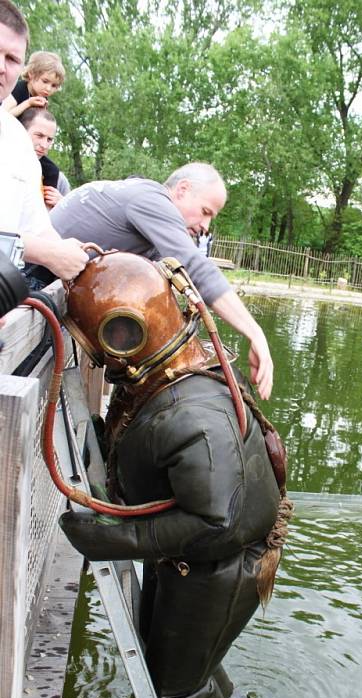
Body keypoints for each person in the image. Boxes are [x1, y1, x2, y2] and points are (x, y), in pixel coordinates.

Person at [58, 250, 292, 698]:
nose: (99, 361)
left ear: (125, 337)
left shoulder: (195, 416)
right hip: (194, 560)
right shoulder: (170, 382)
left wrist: (112, 540)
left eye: (101, 347)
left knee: (179, 690)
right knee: (177, 664)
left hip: (220, 564)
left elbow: (216, 523)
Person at [50, 164, 274, 399]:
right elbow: (195, 266)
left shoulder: (141, 201)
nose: (205, 227)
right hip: (35, 288)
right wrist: (255, 333)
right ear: (182, 189)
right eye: (205, 211)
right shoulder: (151, 200)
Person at [0, 0, 87, 281]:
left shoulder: (16, 138)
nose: (2, 67)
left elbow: (36, 226)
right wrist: (48, 254)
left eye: (12, 59)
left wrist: (63, 248)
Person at [19, 107, 68, 209]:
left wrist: (62, 205)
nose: (44, 145)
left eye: (49, 139)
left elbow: (69, 221)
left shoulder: (59, 180)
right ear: (21, 131)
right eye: (39, 136)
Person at [3, 49, 64, 118]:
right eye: (45, 81)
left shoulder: (43, 98)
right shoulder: (19, 88)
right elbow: (3, 115)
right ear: (31, 74)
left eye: (54, 85)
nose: (48, 88)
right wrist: (28, 103)